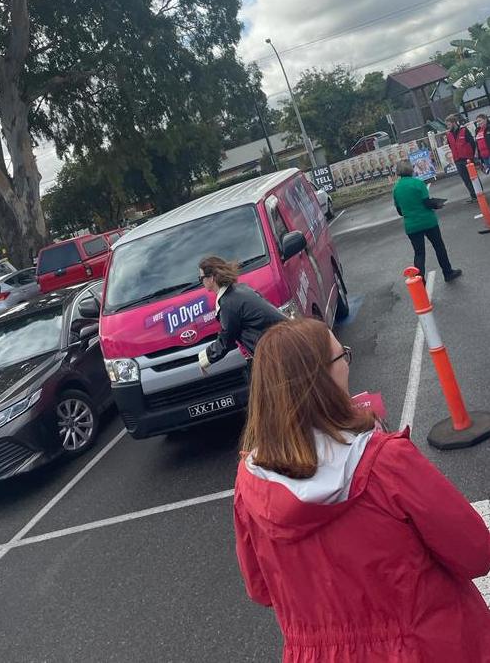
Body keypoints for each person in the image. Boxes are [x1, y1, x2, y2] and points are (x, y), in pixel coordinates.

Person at [234, 317, 490, 663]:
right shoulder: (385, 462)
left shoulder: (251, 482)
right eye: (343, 357)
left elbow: (261, 588)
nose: (347, 368)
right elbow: (475, 552)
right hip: (427, 643)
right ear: (322, 378)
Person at [197, 256, 286, 374]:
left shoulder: (228, 303)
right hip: (282, 341)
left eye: (201, 278)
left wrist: (204, 359)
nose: (201, 282)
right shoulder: (240, 289)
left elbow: (227, 338)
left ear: (211, 278)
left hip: (274, 351)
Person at [393, 160, 461, 283]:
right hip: (428, 221)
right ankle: (448, 272)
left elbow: (399, 211)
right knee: (439, 247)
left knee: (419, 254)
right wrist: (437, 205)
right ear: (411, 170)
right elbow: (426, 203)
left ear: (398, 172)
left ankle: (419, 282)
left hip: (411, 225)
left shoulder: (396, 188)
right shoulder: (418, 183)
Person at [445, 113, 477, 201]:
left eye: (449, 124)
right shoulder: (449, 135)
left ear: (454, 122)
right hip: (458, 160)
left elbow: (472, 143)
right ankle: (473, 196)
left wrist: (471, 156)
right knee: (466, 179)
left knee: (473, 178)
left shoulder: (464, 130)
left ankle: (478, 193)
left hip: (467, 158)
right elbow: (451, 146)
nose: (447, 126)